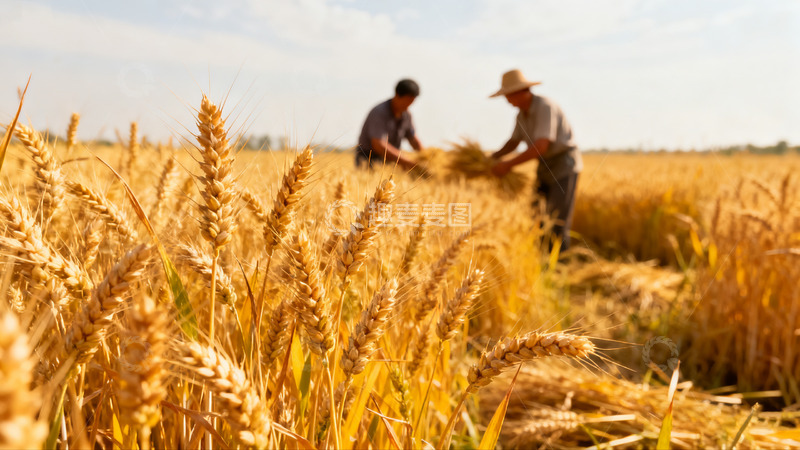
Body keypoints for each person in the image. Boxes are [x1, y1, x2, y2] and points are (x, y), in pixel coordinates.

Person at [489, 69, 582, 252]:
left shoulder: (544, 107)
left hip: (564, 164)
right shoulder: (521, 115)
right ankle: (542, 259)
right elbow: (513, 142)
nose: (507, 100)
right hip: (545, 166)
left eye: (508, 95)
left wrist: (507, 165)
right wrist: (492, 158)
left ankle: (559, 265)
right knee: (536, 215)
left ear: (522, 92)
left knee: (557, 219)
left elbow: (541, 146)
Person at [356, 79, 423, 170]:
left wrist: (426, 157)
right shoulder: (379, 112)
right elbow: (378, 145)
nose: (408, 105)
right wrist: (408, 162)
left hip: (390, 161)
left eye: (411, 102)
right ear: (397, 95)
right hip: (369, 160)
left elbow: (413, 139)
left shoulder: (406, 115)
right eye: (406, 101)